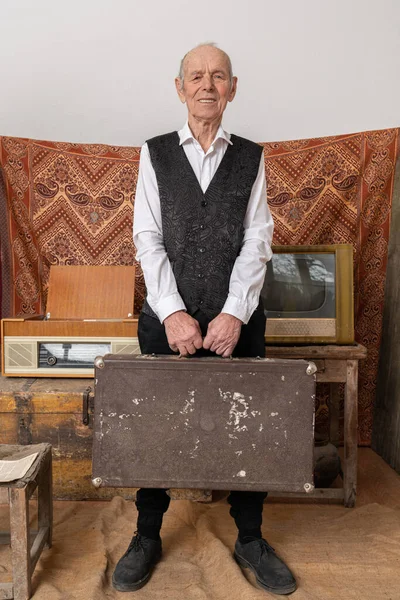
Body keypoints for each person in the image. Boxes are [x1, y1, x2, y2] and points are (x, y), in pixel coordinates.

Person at [112, 43, 296, 595]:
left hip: (235, 322)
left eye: (218, 76)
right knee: (153, 429)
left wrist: (235, 313)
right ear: (180, 87)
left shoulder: (252, 157)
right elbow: (147, 239)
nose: (207, 85)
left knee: (249, 430)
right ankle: (146, 536)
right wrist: (170, 313)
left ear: (233, 88)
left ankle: (250, 539)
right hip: (164, 319)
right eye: (196, 76)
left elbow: (258, 240)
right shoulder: (155, 153)